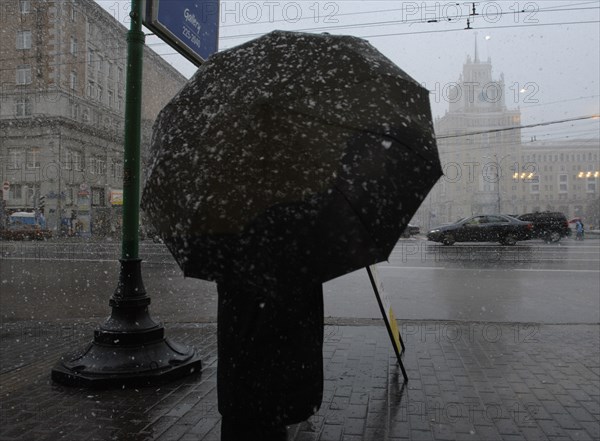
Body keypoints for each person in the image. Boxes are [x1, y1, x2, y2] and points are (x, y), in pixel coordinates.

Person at [215, 207, 325, 441]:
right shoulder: (298, 234)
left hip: (241, 371)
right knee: (266, 424)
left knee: (242, 422)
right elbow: (309, 310)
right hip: (274, 372)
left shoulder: (229, 229)